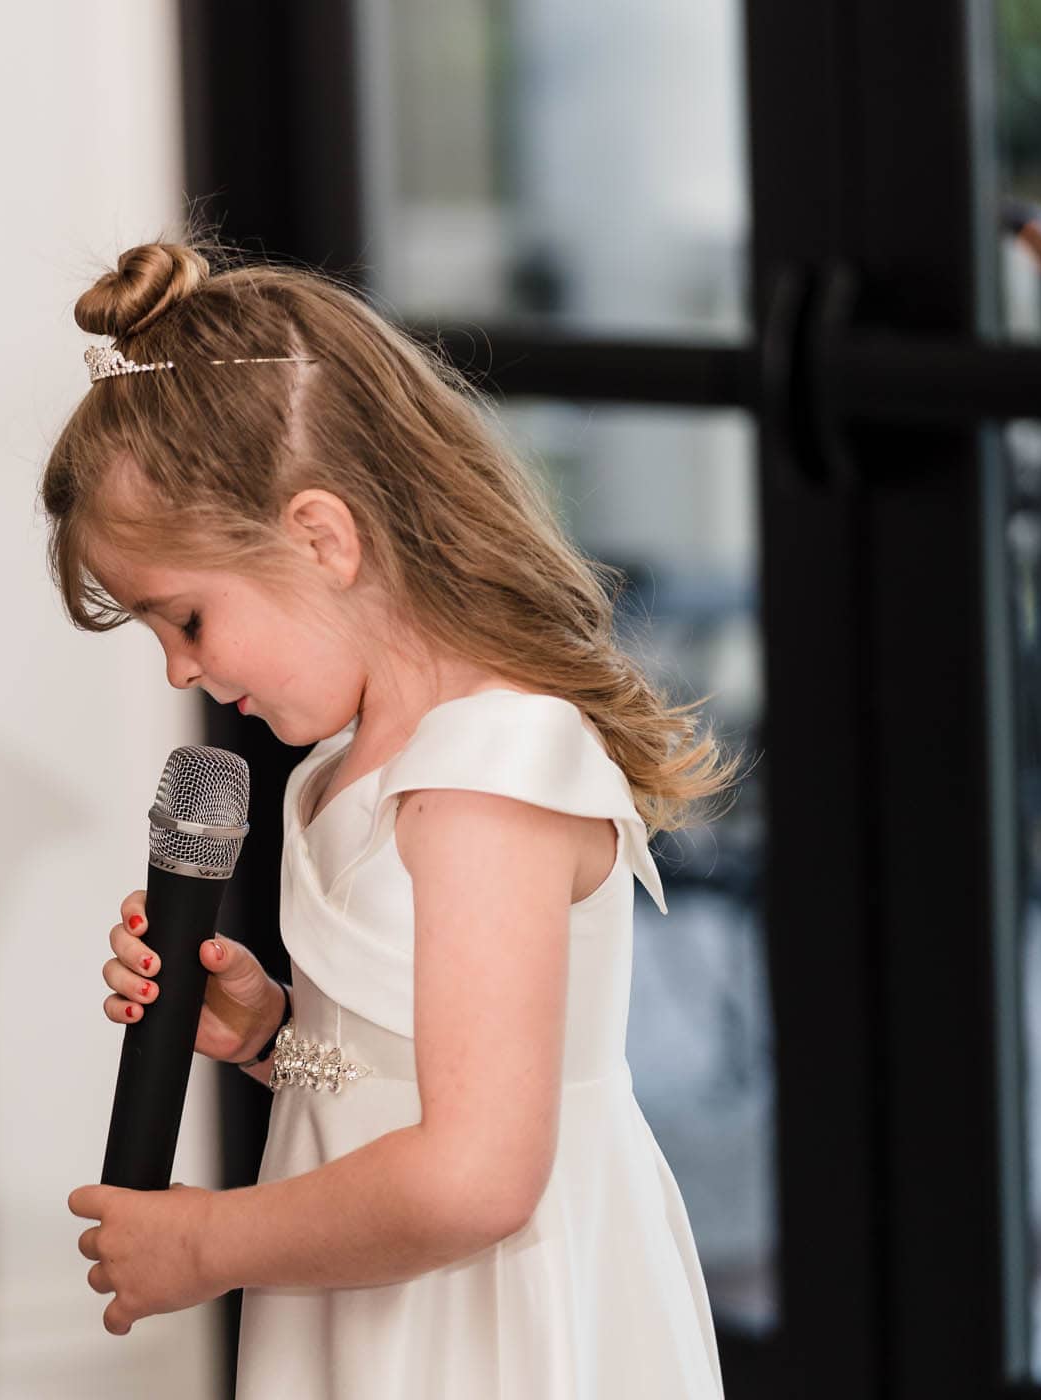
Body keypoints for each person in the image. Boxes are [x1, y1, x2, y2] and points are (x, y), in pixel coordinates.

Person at [55, 231, 741, 1398]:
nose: (179, 671)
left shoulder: (490, 772)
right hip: (379, 1300)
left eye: (188, 620)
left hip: (483, 1322)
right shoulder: (343, 766)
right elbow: (406, 1077)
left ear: (320, 537)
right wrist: (278, 1034)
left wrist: (205, 1241)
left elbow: (477, 1176)